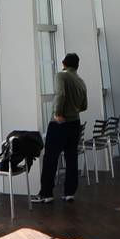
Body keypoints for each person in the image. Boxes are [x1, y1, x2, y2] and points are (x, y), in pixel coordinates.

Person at [36, 53, 88, 203]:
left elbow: (60, 94)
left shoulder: (61, 75)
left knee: (50, 158)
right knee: (71, 158)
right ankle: (69, 192)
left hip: (60, 123)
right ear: (77, 66)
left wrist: (58, 113)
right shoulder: (81, 81)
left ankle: (46, 193)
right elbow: (84, 106)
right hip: (75, 123)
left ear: (64, 63)